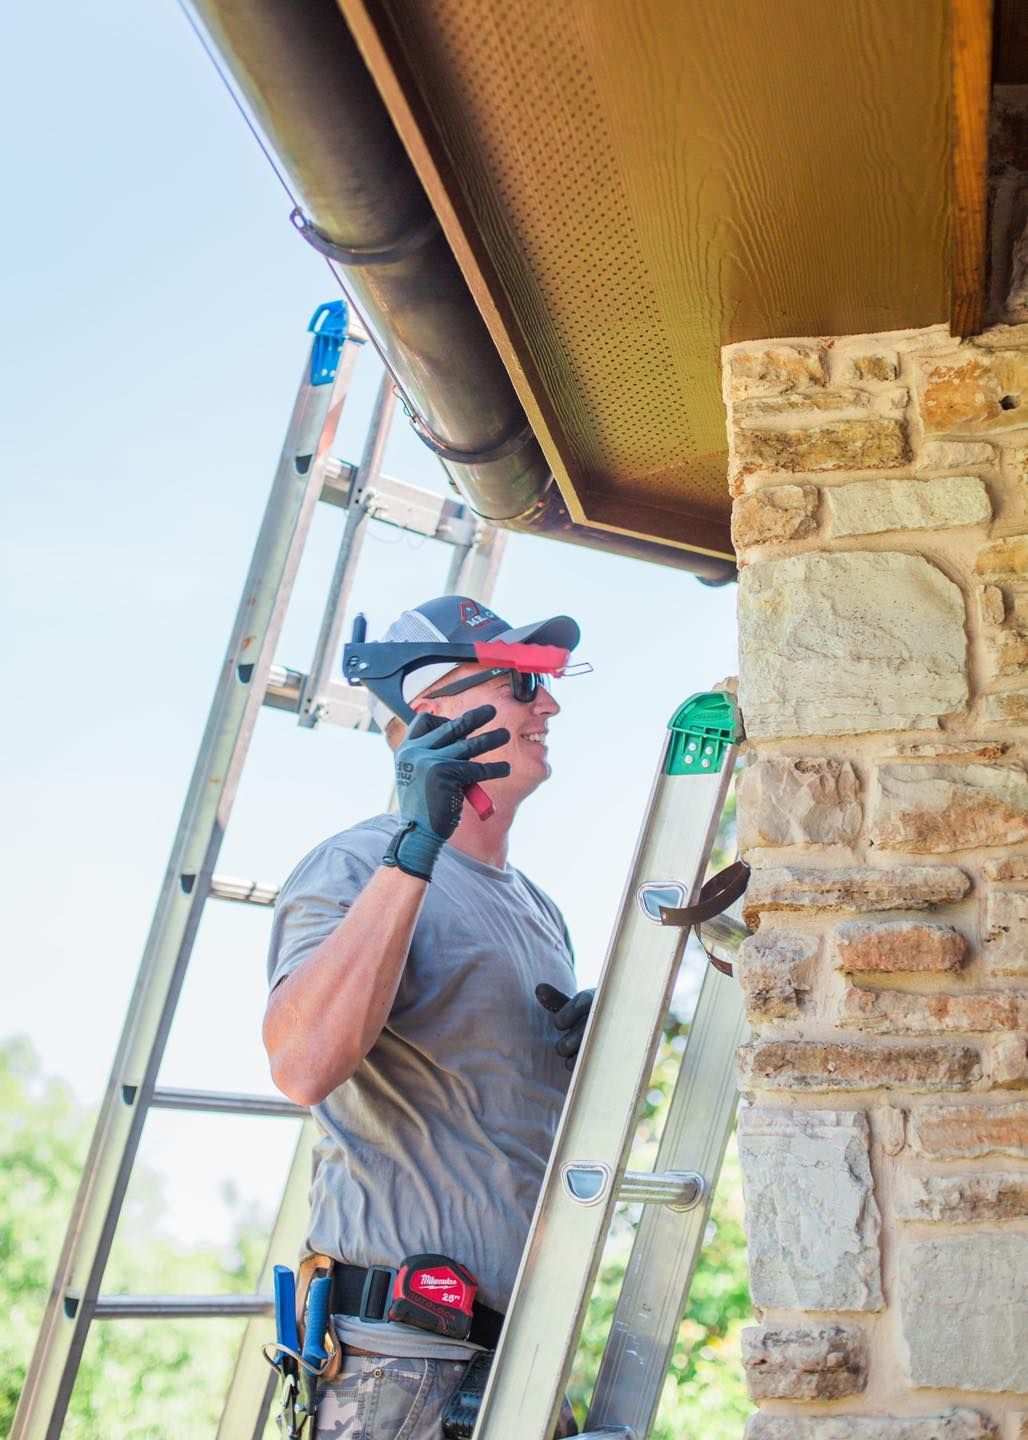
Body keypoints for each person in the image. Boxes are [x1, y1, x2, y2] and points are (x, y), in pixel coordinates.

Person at [263, 596, 593, 1440]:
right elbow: (302, 1063)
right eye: (522, 685)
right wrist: (414, 848)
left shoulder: (538, 908)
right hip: (396, 1364)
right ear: (433, 710)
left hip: (518, 1355)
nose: (548, 706)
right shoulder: (350, 864)